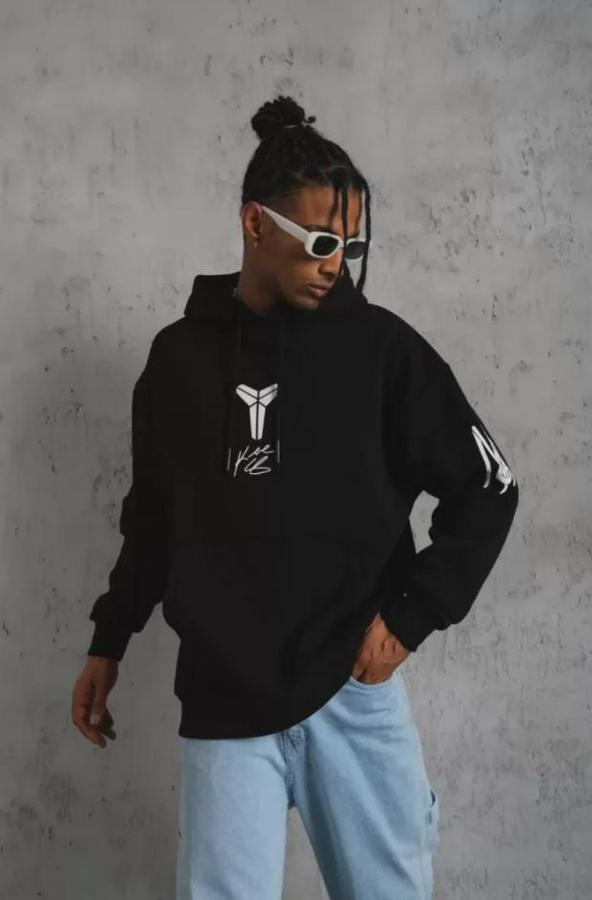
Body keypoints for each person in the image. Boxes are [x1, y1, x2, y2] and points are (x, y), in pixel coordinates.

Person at [72, 95, 519, 899]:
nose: (334, 263)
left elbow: (490, 485)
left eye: (349, 245)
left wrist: (411, 619)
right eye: (318, 241)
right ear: (254, 224)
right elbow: (155, 520)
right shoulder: (179, 361)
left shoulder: (383, 352)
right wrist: (110, 641)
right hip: (224, 696)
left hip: (352, 693)